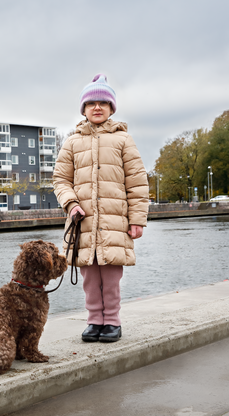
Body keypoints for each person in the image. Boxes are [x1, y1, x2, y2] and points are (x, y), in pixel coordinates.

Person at [53, 74, 149, 343]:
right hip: (82, 223)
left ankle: (112, 322)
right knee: (89, 276)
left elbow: (137, 181)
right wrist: (71, 204)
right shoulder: (72, 142)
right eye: (91, 103)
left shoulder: (123, 140)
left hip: (114, 221)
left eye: (103, 103)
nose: (97, 107)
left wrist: (137, 219)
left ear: (111, 109)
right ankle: (94, 320)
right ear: (83, 109)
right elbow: (60, 179)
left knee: (111, 275)